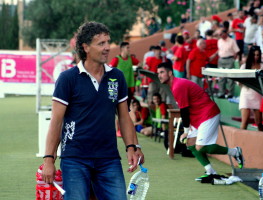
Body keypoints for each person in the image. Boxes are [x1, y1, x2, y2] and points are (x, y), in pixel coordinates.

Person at [42, 22, 144, 200]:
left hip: (109, 158)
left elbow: (124, 116)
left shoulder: (117, 76)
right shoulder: (68, 79)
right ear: (86, 47)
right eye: (101, 43)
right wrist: (49, 159)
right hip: (75, 158)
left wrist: (133, 147)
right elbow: (56, 122)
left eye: (108, 42)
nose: (107, 48)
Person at [157, 61, 244, 180]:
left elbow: (184, 111)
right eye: (158, 73)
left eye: (162, 72)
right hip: (199, 117)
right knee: (190, 143)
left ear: (170, 73)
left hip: (209, 114)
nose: (159, 75)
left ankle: (235, 152)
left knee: (201, 147)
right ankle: (210, 171)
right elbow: (187, 109)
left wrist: (186, 130)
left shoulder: (178, 86)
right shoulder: (175, 85)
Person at [239, 46, 263, 131]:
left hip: (257, 94)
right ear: (251, 55)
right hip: (246, 94)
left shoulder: (262, 66)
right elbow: (239, 83)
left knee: (259, 123)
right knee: (244, 121)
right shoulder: (244, 66)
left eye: (258, 55)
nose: (256, 57)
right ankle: (239, 142)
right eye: (254, 55)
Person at [109, 42, 140, 106]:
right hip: (119, 86)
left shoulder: (131, 58)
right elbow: (109, 69)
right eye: (127, 48)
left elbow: (139, 63)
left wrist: (136, 70)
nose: (129, 49)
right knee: (119, 106)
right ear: (122, 49)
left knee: (127, 106)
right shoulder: (116, 59)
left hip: (129, 86)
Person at [217, 29, 240, 98]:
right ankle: (221, 92)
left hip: (229, 59)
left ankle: (230, 93)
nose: (220, 36)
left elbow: (236, 50)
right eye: (219, 35)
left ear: (225, 33)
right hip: (221, 59)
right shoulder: (219, 41)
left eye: (221, 34)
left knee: (230, 77)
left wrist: (234, 58)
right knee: (221, 77)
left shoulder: (232, 41)